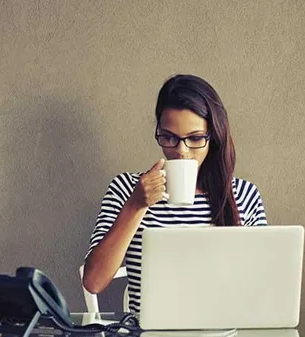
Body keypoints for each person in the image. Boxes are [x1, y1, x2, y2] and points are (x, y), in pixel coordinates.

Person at [82, 74, 267, 313]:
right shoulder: (127, 188)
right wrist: (136, 205)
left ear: (214, 137)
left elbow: (261, 288)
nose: (181, 151)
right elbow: (94, 281)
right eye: (169, 137)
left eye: (195, 138)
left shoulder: (244, 195)